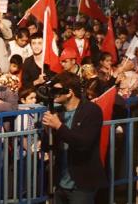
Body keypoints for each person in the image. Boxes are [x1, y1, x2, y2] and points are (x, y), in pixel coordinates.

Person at [41, 71, 108, 203]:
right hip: (60, 182)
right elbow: (48, 146)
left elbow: (84, 143)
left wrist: (59, 127)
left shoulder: (91, 110)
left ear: (69, 92)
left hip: (81, 184)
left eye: (57, 90)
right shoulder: (58, 113)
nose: (53, 93)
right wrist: (47, 131)